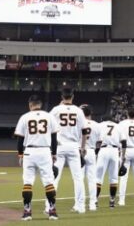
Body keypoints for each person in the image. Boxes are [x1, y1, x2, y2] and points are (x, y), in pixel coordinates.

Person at [14, 94, 60, 221]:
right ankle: (52, 211)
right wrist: (54, 154)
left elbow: (20, 139)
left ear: (30, 105)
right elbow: (54, 138)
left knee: (28, 182)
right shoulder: (49, 117)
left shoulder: (24, 117)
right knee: (49, 182)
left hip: (29, 151)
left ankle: (27, 212)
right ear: (40, 104)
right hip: (45, 151)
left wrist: (20, 154)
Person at [47, 86, 87, 214]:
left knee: (54, 177)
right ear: (73, 96)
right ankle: (80, 207)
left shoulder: (56, 110)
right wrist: (83, 147)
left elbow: (47, 125)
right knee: (78, 178)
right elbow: (84, 131)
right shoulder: (78, 111)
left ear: (61, 97)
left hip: (59, 145)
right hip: (74, 146)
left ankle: (49, 207)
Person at [94, 115, 127, 208]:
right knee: (114, 178)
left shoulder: (100, 125)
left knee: (98, 177)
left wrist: (96, 152)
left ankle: (95, 200)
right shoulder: (118, 126)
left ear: (103, 119)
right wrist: (123, 156)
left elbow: (98, 141)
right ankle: (112, 201)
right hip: (115, 152)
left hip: (103, 150)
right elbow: (124, 142)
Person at [117, 109, 134, 206]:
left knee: (124, 177)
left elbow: (119, 138)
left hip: (126, 150)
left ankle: (121, 200)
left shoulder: (121, 123)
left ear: (127, 113)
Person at [80, 104, 102, 211]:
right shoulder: (97, 125)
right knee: (92, 179)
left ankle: (80, 204)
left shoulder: (79, 123)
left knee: (79, 179)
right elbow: (100, 142)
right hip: (92, 151)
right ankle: (93, 204)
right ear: (90, 113)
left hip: (81, 151)